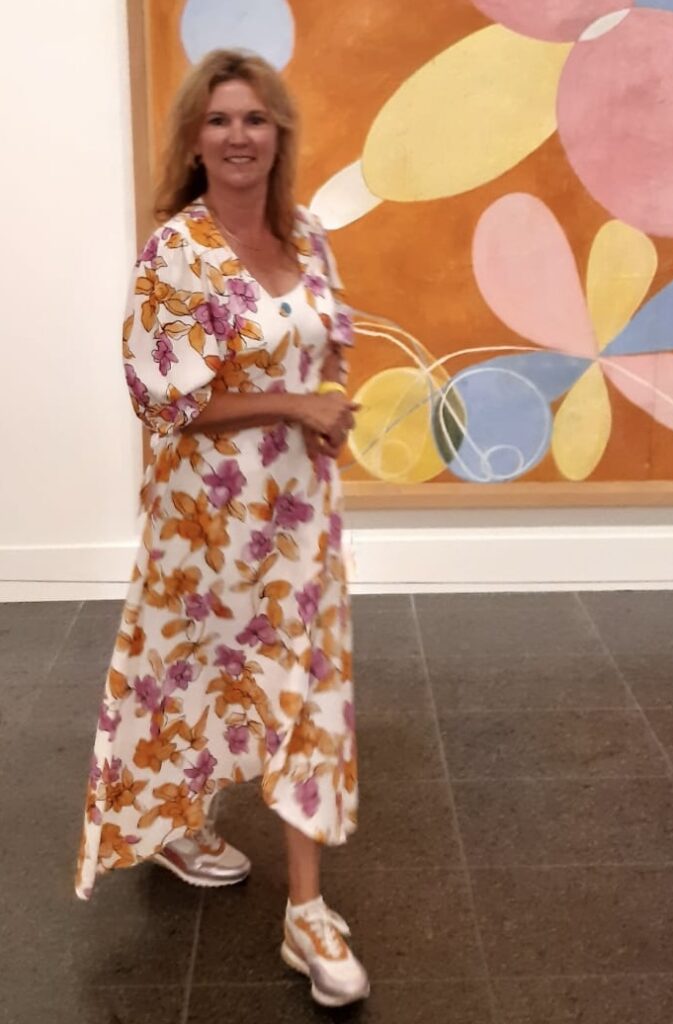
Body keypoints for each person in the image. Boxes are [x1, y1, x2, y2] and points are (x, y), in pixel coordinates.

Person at [74, 48, 369, 1008]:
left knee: (308, 692)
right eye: (219, 120)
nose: (239, 136)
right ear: (194, 141)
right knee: (191, 673)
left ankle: (307, 913)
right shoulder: (176, 253)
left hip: (299, 518)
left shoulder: (309, 235)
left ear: (278, 133)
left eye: (255, 119)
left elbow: (327, 344)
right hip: (205, 522)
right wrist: (293, 402)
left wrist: (326, 407)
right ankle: (178, 821)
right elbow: (163, 399)